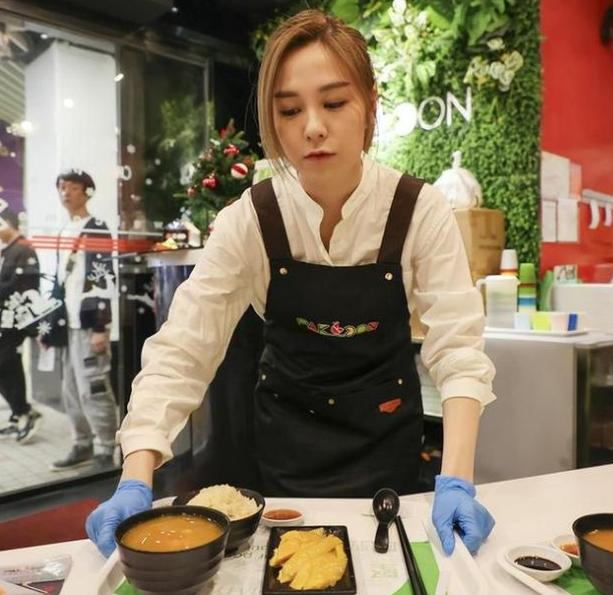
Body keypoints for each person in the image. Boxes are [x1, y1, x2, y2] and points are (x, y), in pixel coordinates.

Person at [87, 10, 497, 558]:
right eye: (290, 109)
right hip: (285, 463)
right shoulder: (250, 220)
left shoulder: (419, 209)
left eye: (334, 103)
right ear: (273, 122)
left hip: (388, 462)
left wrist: (457, 480)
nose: (313, 127)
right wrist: (135, 477)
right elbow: (183, 350)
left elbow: (459, 349)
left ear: (370, 105)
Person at [47, 169, 119, 471]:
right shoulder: (65, 231)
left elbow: (102, 280)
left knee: (94, 386)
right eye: (62, 187)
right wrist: (48, 327)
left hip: (89, 326)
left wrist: (100, 327)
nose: (66, 192)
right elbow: (59, 283)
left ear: (86, 192)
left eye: (73, 187)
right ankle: (83, 443)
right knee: (71, 389)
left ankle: (106, 448)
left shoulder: (96, 229)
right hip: (68, 325)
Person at [0, 208, 42, 443]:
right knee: (6, 366)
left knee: (8, 364)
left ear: (8, 223)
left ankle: (25, 412)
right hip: (5, 321)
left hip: (17, 321)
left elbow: (25, 286)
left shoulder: (24, 249)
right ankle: (19, 413)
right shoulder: (8, 251)